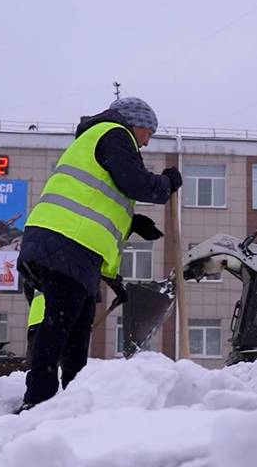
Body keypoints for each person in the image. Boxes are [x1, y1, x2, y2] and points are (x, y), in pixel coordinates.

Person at [15, 97, 180, 411]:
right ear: (138, 124)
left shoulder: (101, 139)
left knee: (77, 329)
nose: (147, 142)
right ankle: (37, 400)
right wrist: (167, 183)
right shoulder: (114, 133)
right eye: (150, 133)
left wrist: (131, 222)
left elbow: (96, 195)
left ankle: (75, 401)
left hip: (68, 244)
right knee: (60, 324)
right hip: (66, 242)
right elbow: (136, 183)